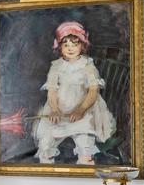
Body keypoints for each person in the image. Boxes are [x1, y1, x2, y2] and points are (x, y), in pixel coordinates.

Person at [30, 20, 116, 164]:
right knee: (46, 142)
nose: (70, 48)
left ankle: (84, 166)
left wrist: (80, 110)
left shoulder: (87, 65)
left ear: (82, 46)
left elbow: (93, 92)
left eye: (74, 44)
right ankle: (47, 170)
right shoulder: (56, 66)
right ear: (60, 47)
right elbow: (51, 92)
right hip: (59, 110)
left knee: (85, 143)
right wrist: (55, 109)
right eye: (66, 45)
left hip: (84, 110)